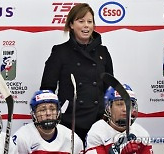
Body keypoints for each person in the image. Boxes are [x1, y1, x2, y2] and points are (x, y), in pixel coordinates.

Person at [40, 3, 114, 143]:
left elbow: (109, 89)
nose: (86, 25)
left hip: (99, 123)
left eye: (89, 21)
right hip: (69, 123)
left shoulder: (103, 52)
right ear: (71, 25)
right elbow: (47, 89)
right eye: (81, 21)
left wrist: (107, 117)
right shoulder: (60, 52)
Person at [85, 84, 153, 154]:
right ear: (109, 108)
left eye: (129, 104)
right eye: (119, 104)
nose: (125, 109)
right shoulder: (97, 132)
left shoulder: (141, 133)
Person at [12, 90, 83, 153]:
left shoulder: (72, 138)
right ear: (34, 114)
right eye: (42, 110)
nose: (48, 113)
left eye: (52, 109)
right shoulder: (22, 137)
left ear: (58, 112)